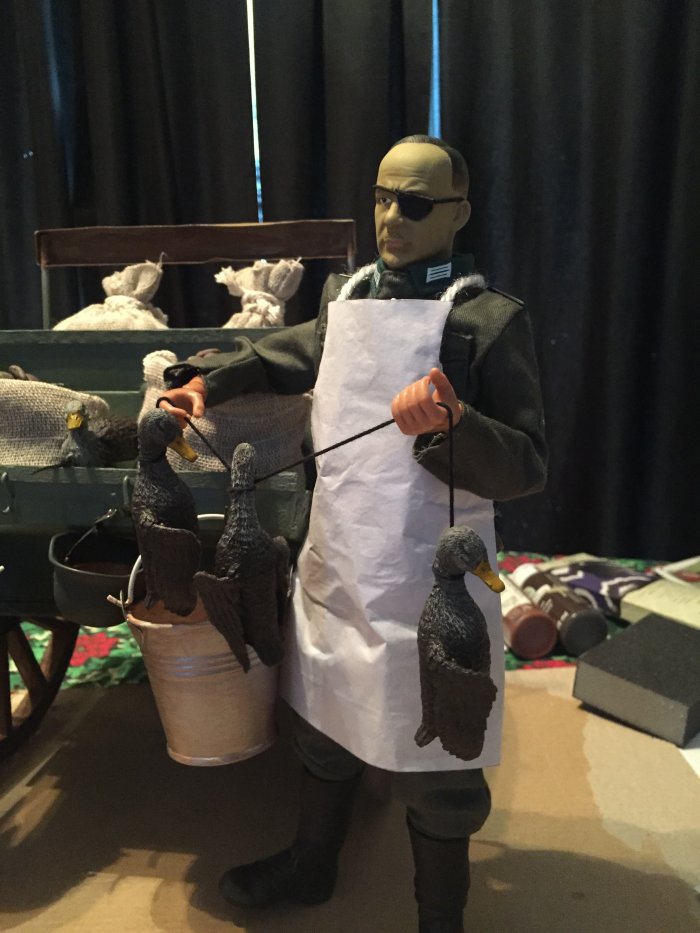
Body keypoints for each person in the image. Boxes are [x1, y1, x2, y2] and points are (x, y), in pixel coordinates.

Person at [160, 135, 547, 933]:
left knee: (440, 750)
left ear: (459, 214)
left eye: (415, 203)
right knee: (324, 716)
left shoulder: (485, 321)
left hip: (429, 575)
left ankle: (440, 917)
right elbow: (283, 351)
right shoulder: (347, 297)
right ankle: (313, 862)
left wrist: (457, 422)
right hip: (340, 553)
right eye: (381, 196)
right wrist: (208, 382)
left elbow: (527, 464)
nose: (391, 216)